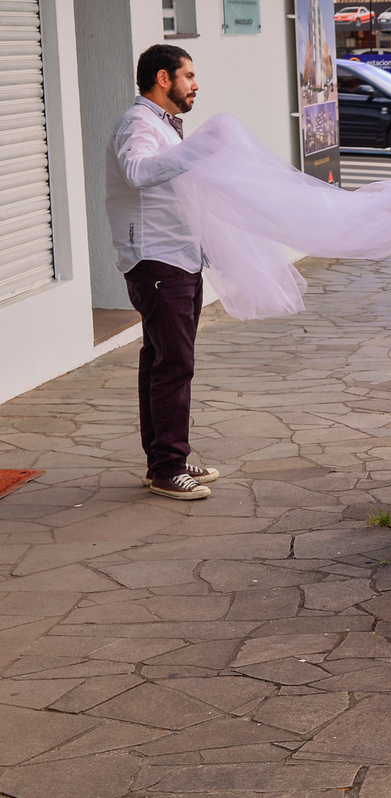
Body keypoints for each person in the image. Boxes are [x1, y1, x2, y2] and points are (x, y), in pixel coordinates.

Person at [106, 44, 219, 500]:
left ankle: (165, 457)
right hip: (157, 260)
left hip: (180, 257)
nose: (195, 84)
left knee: (159, 359)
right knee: (173, 363)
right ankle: (166, 468)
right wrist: (195, 153)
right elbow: (136, 171)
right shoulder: (138, 124)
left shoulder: (162, 125)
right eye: (188, 75)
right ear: (163, 78)